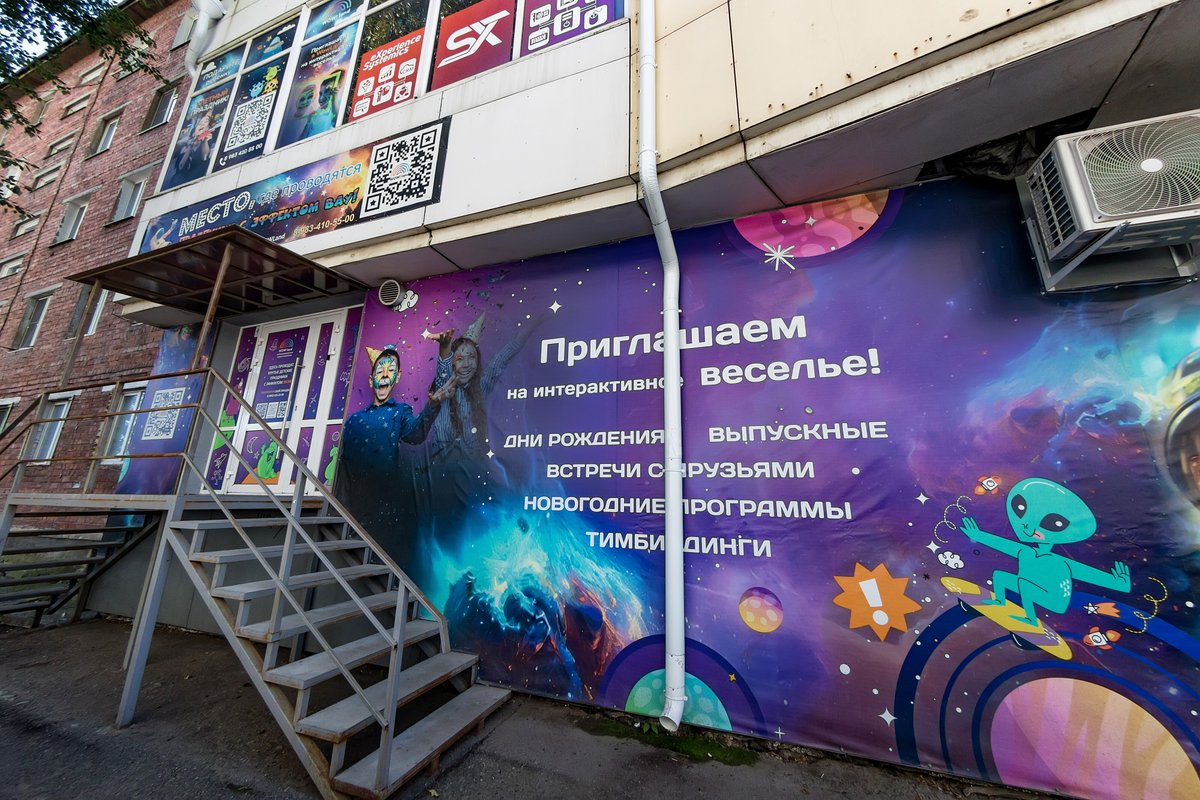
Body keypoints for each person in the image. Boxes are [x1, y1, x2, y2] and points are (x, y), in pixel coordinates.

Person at [334, 334, 452, 566]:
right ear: (371, 380)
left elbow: (416, 434)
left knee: (381, 564)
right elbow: (344, 467)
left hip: (385, 510)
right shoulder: (353, 421)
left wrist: (432, 406)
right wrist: (338, 508)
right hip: (355, 508)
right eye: (380, 371)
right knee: (350, 561)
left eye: (390, 371)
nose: (385, 375)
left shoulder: (400, 412)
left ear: (397, 377)